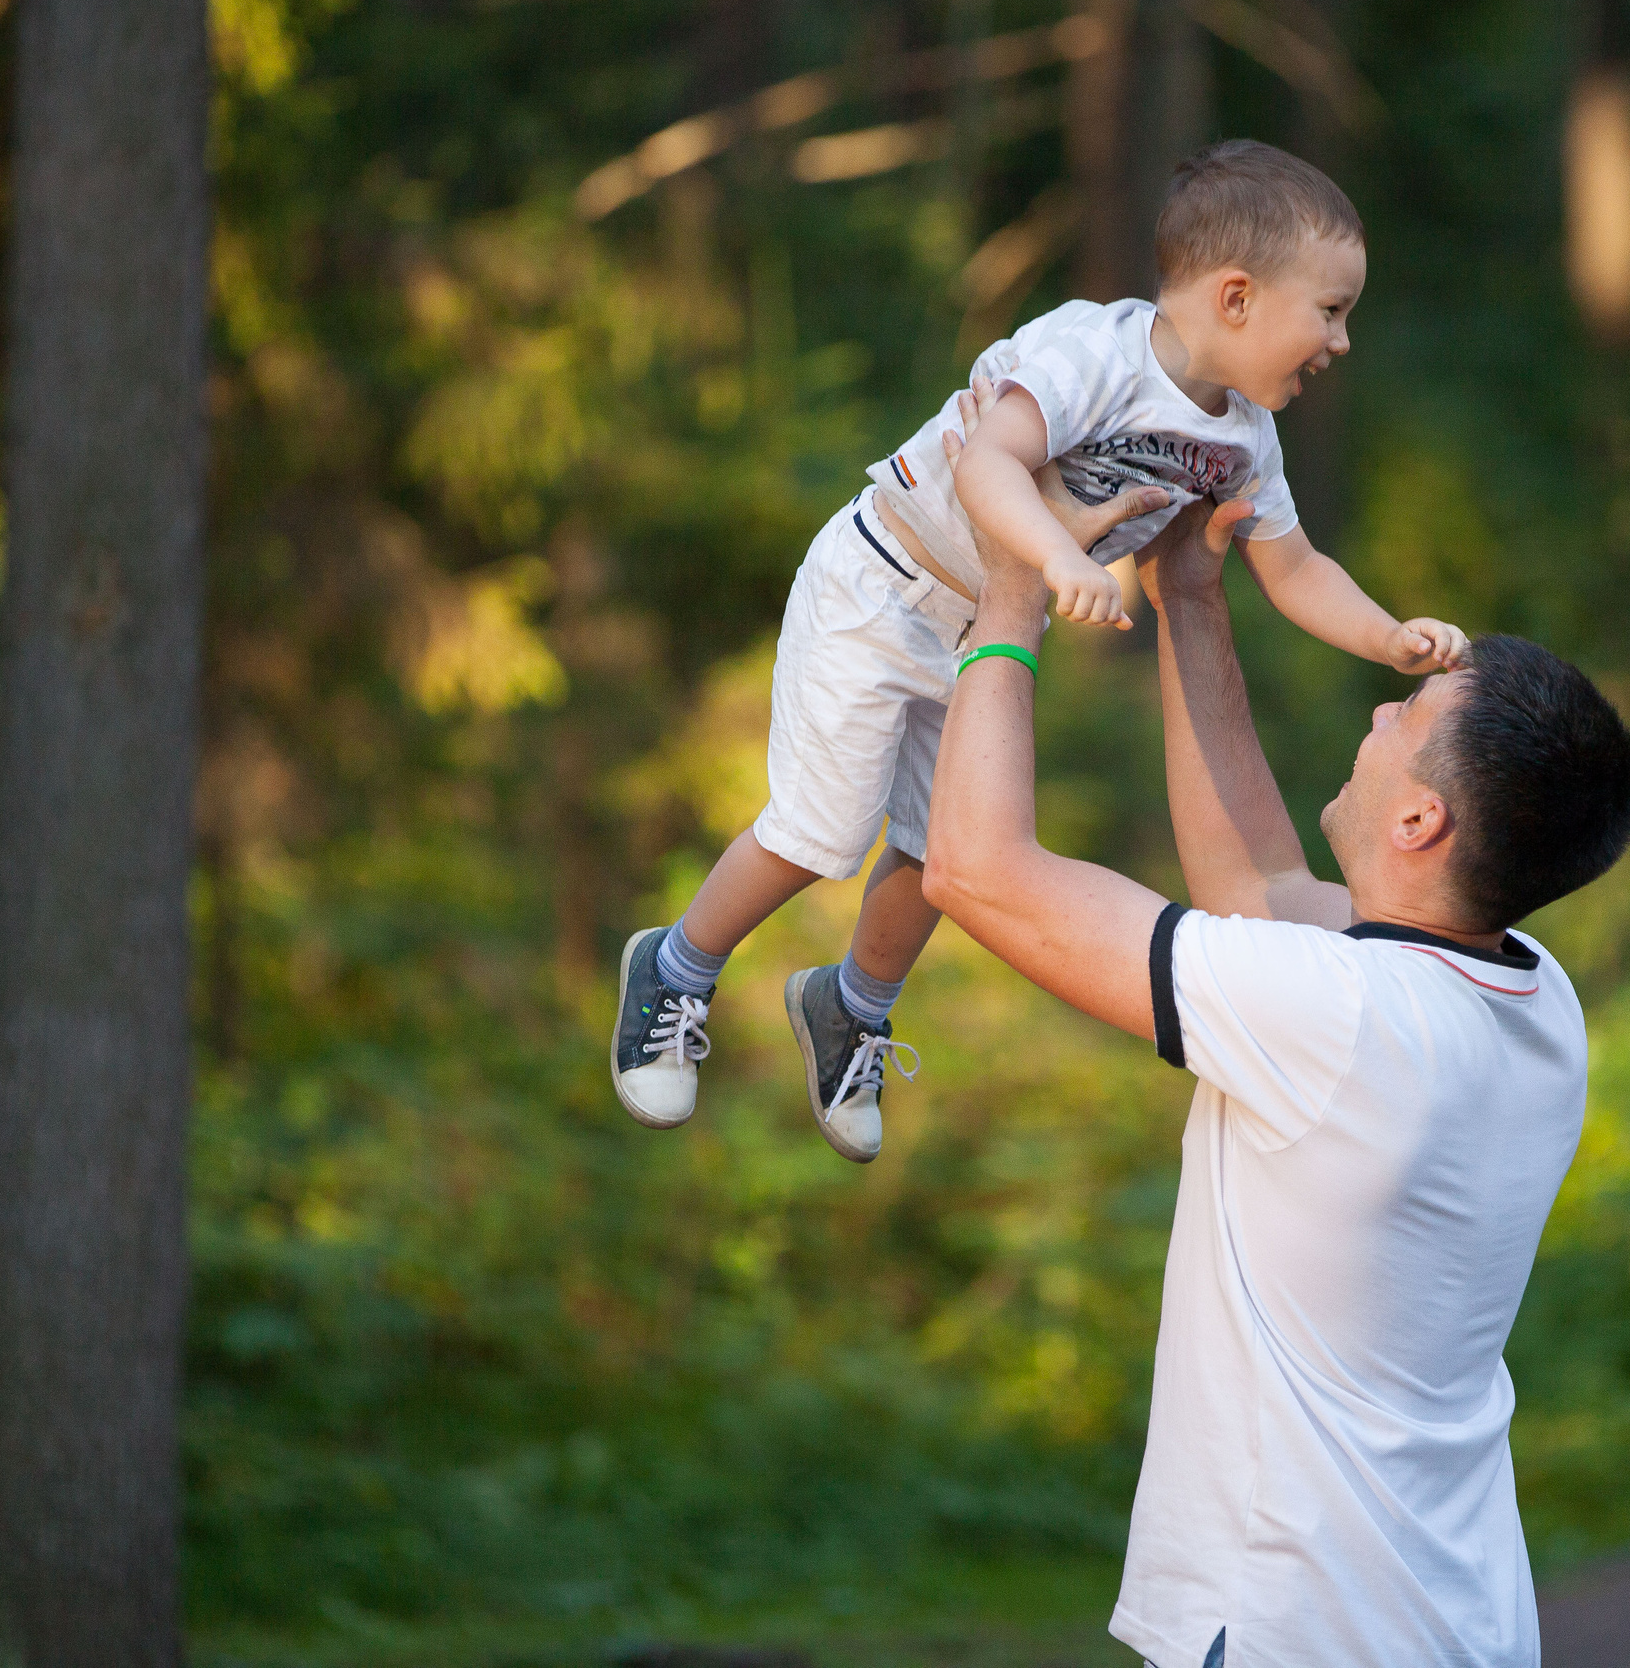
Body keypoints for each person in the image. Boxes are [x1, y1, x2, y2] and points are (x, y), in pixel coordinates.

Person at [919, 390, 1630, 1666]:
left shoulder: (1342, 1017)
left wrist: (1011, 593)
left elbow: (976, 870)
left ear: (1420, 821)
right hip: (1456, 1627)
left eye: (1404, 720)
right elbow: (1253, 888)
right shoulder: (1533, 997)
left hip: (1293, 1629)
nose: (1376, 717)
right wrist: (1190, 601)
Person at [609, 140, 1469, 1164]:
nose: (1340, 341)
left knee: (933, 848)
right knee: (822, 832)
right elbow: (987, 464)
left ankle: (851, 1007)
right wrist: (1060, 556)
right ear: (1236, 297)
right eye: (1329, 310)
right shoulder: (1091, 351)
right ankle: (675, 966)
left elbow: (1295, 568)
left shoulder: (1244, 439)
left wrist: (1386, 635)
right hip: (884, 586)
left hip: (978, 623)